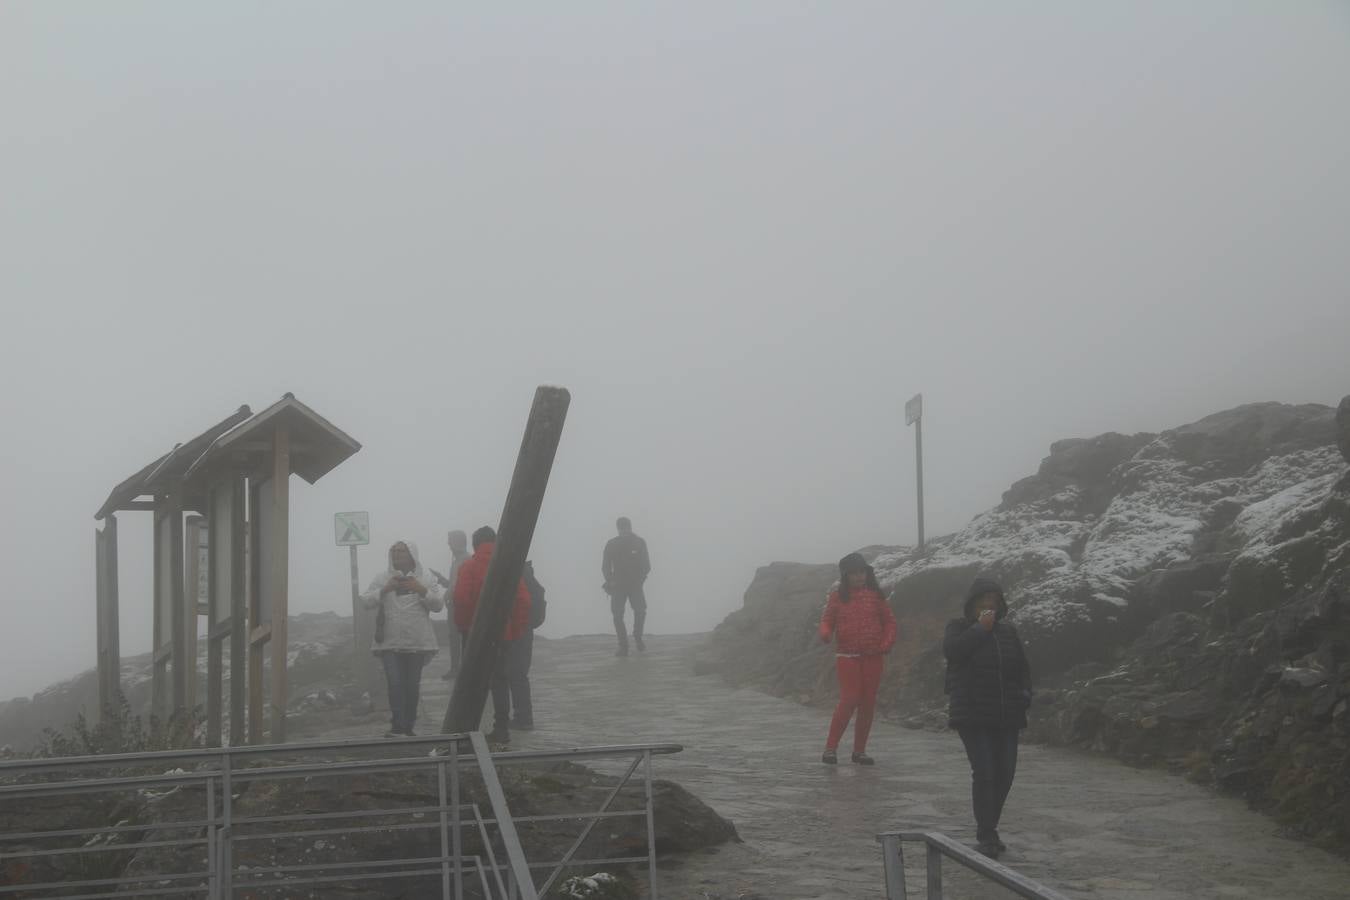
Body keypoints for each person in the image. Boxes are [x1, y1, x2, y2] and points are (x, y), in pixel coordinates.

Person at [943, 577, 1033, 859]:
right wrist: (981, 629)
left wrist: (1026, 694)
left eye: (994, 599)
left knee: (1005, 773)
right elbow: (953, 653)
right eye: (984, 598)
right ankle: (987, 834)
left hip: (1007, 714)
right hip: (972, 713)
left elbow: (1022, 668)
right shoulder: (958, 628)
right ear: (973, 602)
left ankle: (989, 826)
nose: (989, 603)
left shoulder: (1009, 632)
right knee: (985, 773)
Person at [452, 525, 531, 744]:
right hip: (502, 633)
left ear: (475, 544)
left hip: (474, 634)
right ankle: (501, 728)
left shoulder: (468, 567)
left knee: (471, 682)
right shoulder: (509, 568)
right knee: (499, 681)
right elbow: (523, 601)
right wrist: (514, 629)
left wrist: (465, 627)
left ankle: (466, 728)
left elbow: (461, 600)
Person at [818, 552, 896, 766]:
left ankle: (859, 752)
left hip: (873, 656)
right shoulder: (837, 597)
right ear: (846, 576)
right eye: (853, 573)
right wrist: (825, 633)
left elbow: (889, 621)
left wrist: (887, 642)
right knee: (850, 699)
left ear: (867, 573)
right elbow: (827, 621)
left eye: (862, 572)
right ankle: (830, 748)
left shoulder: (877, 596)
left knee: (868, 703)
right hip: (847, 655)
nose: (859, 577)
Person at [361, 540, 445, 738]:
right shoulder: (382, 578)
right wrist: (384, 589)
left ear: (411, 554)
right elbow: (365, 601)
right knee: (395, 682)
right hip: (389, 641)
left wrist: (421, 589)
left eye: (401, 551)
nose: (396, 555)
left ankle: (408, 726)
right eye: (394, 551)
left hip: (417, 640)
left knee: (411, 684)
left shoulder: (425, 577)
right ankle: (398, 726)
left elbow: (438, 605)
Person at [602, 517, 651, 656]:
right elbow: (605, 566)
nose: (624, 530)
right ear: (618, 529)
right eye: (621, 528)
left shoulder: (639, 542)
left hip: (635, 585)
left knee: (641, 611)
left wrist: (640, 580)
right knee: (617, 615)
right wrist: (610, 580)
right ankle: (623, 646)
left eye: (626, 527)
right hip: (617, 586)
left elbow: (646, 565)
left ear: (630, 527)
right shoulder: (611, 544)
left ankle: (637, 636)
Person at [508, 560, 547, 731]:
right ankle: (523, 717)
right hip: (525, 629)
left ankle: (522, 718)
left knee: (515, 675)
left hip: (515, 630)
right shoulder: (526, 572)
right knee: (519, 674)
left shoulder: (516, 571)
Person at [435, 530, 471, 680]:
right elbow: (454, 584)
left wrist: (443, 597)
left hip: (460, 605)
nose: (448, 544)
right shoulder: (457, 561)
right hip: (455, 604)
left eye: (450, 541)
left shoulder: (465, 560)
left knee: (459, 637)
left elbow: (458, 585)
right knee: (454, 637)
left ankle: (459, 669)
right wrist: (444, 581)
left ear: (457, 542)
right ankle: (456, 668)